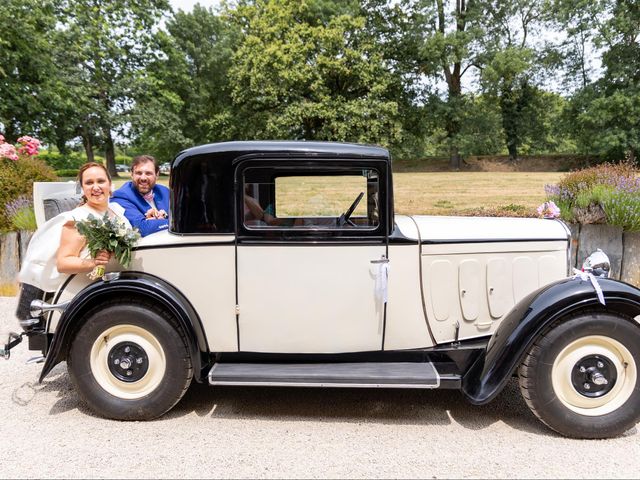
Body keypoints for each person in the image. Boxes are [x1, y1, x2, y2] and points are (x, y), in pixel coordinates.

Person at [18, 162, 131, 295]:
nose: (96, 187)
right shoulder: (77, 219)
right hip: (90, 290)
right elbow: (63, 263)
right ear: (83, 188)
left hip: (120, 282)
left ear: (109, 184)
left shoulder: (115, 210)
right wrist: (94, 262)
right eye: (89, 183)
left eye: (100, 181)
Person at [111, 155, 170, 237]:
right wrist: (173, 222)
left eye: (148, 173)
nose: (143, 178)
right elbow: (142, 228)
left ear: (157, 175)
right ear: (132, 174)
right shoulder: (121, 196)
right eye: (139, 173)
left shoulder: (164, 191)